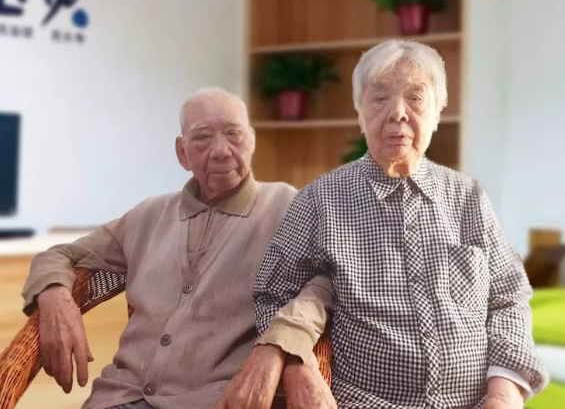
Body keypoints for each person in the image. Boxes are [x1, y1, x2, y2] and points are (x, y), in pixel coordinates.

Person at [227, 39, 551, 409]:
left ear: (437, 111)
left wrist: (503, 393)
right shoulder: (320, 200)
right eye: (380, 98)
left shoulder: (469, 197)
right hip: (366, 402)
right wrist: (299, 366)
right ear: (359, 112)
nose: (397, 113)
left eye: (416, 98)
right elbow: (273, 293)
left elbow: (509, 297)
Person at [20, 87, 334, 409]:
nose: (221, 151)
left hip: (215, 400)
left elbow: (328, 280)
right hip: (120, 396)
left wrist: (281, 344)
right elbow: (59, 255)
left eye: (233, 134)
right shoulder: (148, 215)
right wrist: (57, 299)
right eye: (202, 138)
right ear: (182, 152)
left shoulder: (287, 205)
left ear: (251, 140)